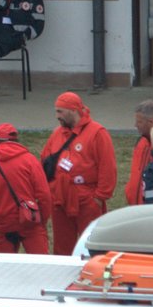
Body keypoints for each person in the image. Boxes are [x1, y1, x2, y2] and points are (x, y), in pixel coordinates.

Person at [41, 91, 117, 254]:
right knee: (62, 247)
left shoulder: (97, 133)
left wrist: (99, 197)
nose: (57, 116)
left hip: (87, 199)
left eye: (60, 111)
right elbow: (45, 161)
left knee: (91, 245)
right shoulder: (57, 134)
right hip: (60, 199)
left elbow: (107, 167)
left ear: (73, 110)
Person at [0, 123, 52, 254]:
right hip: (29, 221)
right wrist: (42, 220)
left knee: (5, 270)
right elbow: (44, 195)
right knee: (40, 267)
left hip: (4, 225)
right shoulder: (30, 160)